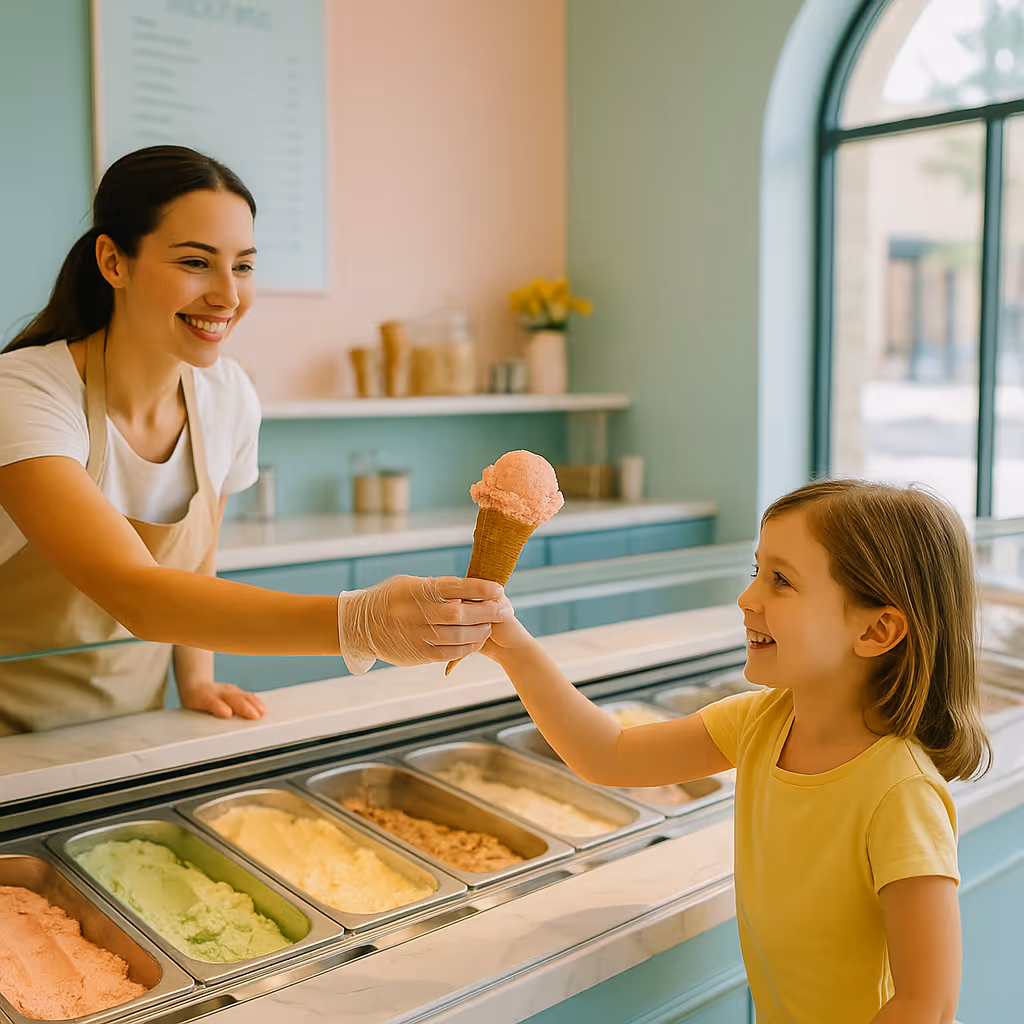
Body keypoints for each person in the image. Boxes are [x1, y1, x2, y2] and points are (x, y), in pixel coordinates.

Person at [0, 145, 506, 735]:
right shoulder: (25, 393)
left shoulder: (227, 395)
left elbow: (195, 565)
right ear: (114, 262)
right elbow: (133, 592)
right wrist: (358, 622)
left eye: (242, 266)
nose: (228, 295)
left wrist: (196, 679)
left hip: (121, 732)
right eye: (196, 262)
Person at [481, 479, 989, 1024]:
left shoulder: (900, 793)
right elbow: (610, 754)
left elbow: (927, 1005)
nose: (748, 599)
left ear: (876, 630)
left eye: (781, 580)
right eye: (756, 572)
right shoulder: (760, 724)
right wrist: (512, 645)